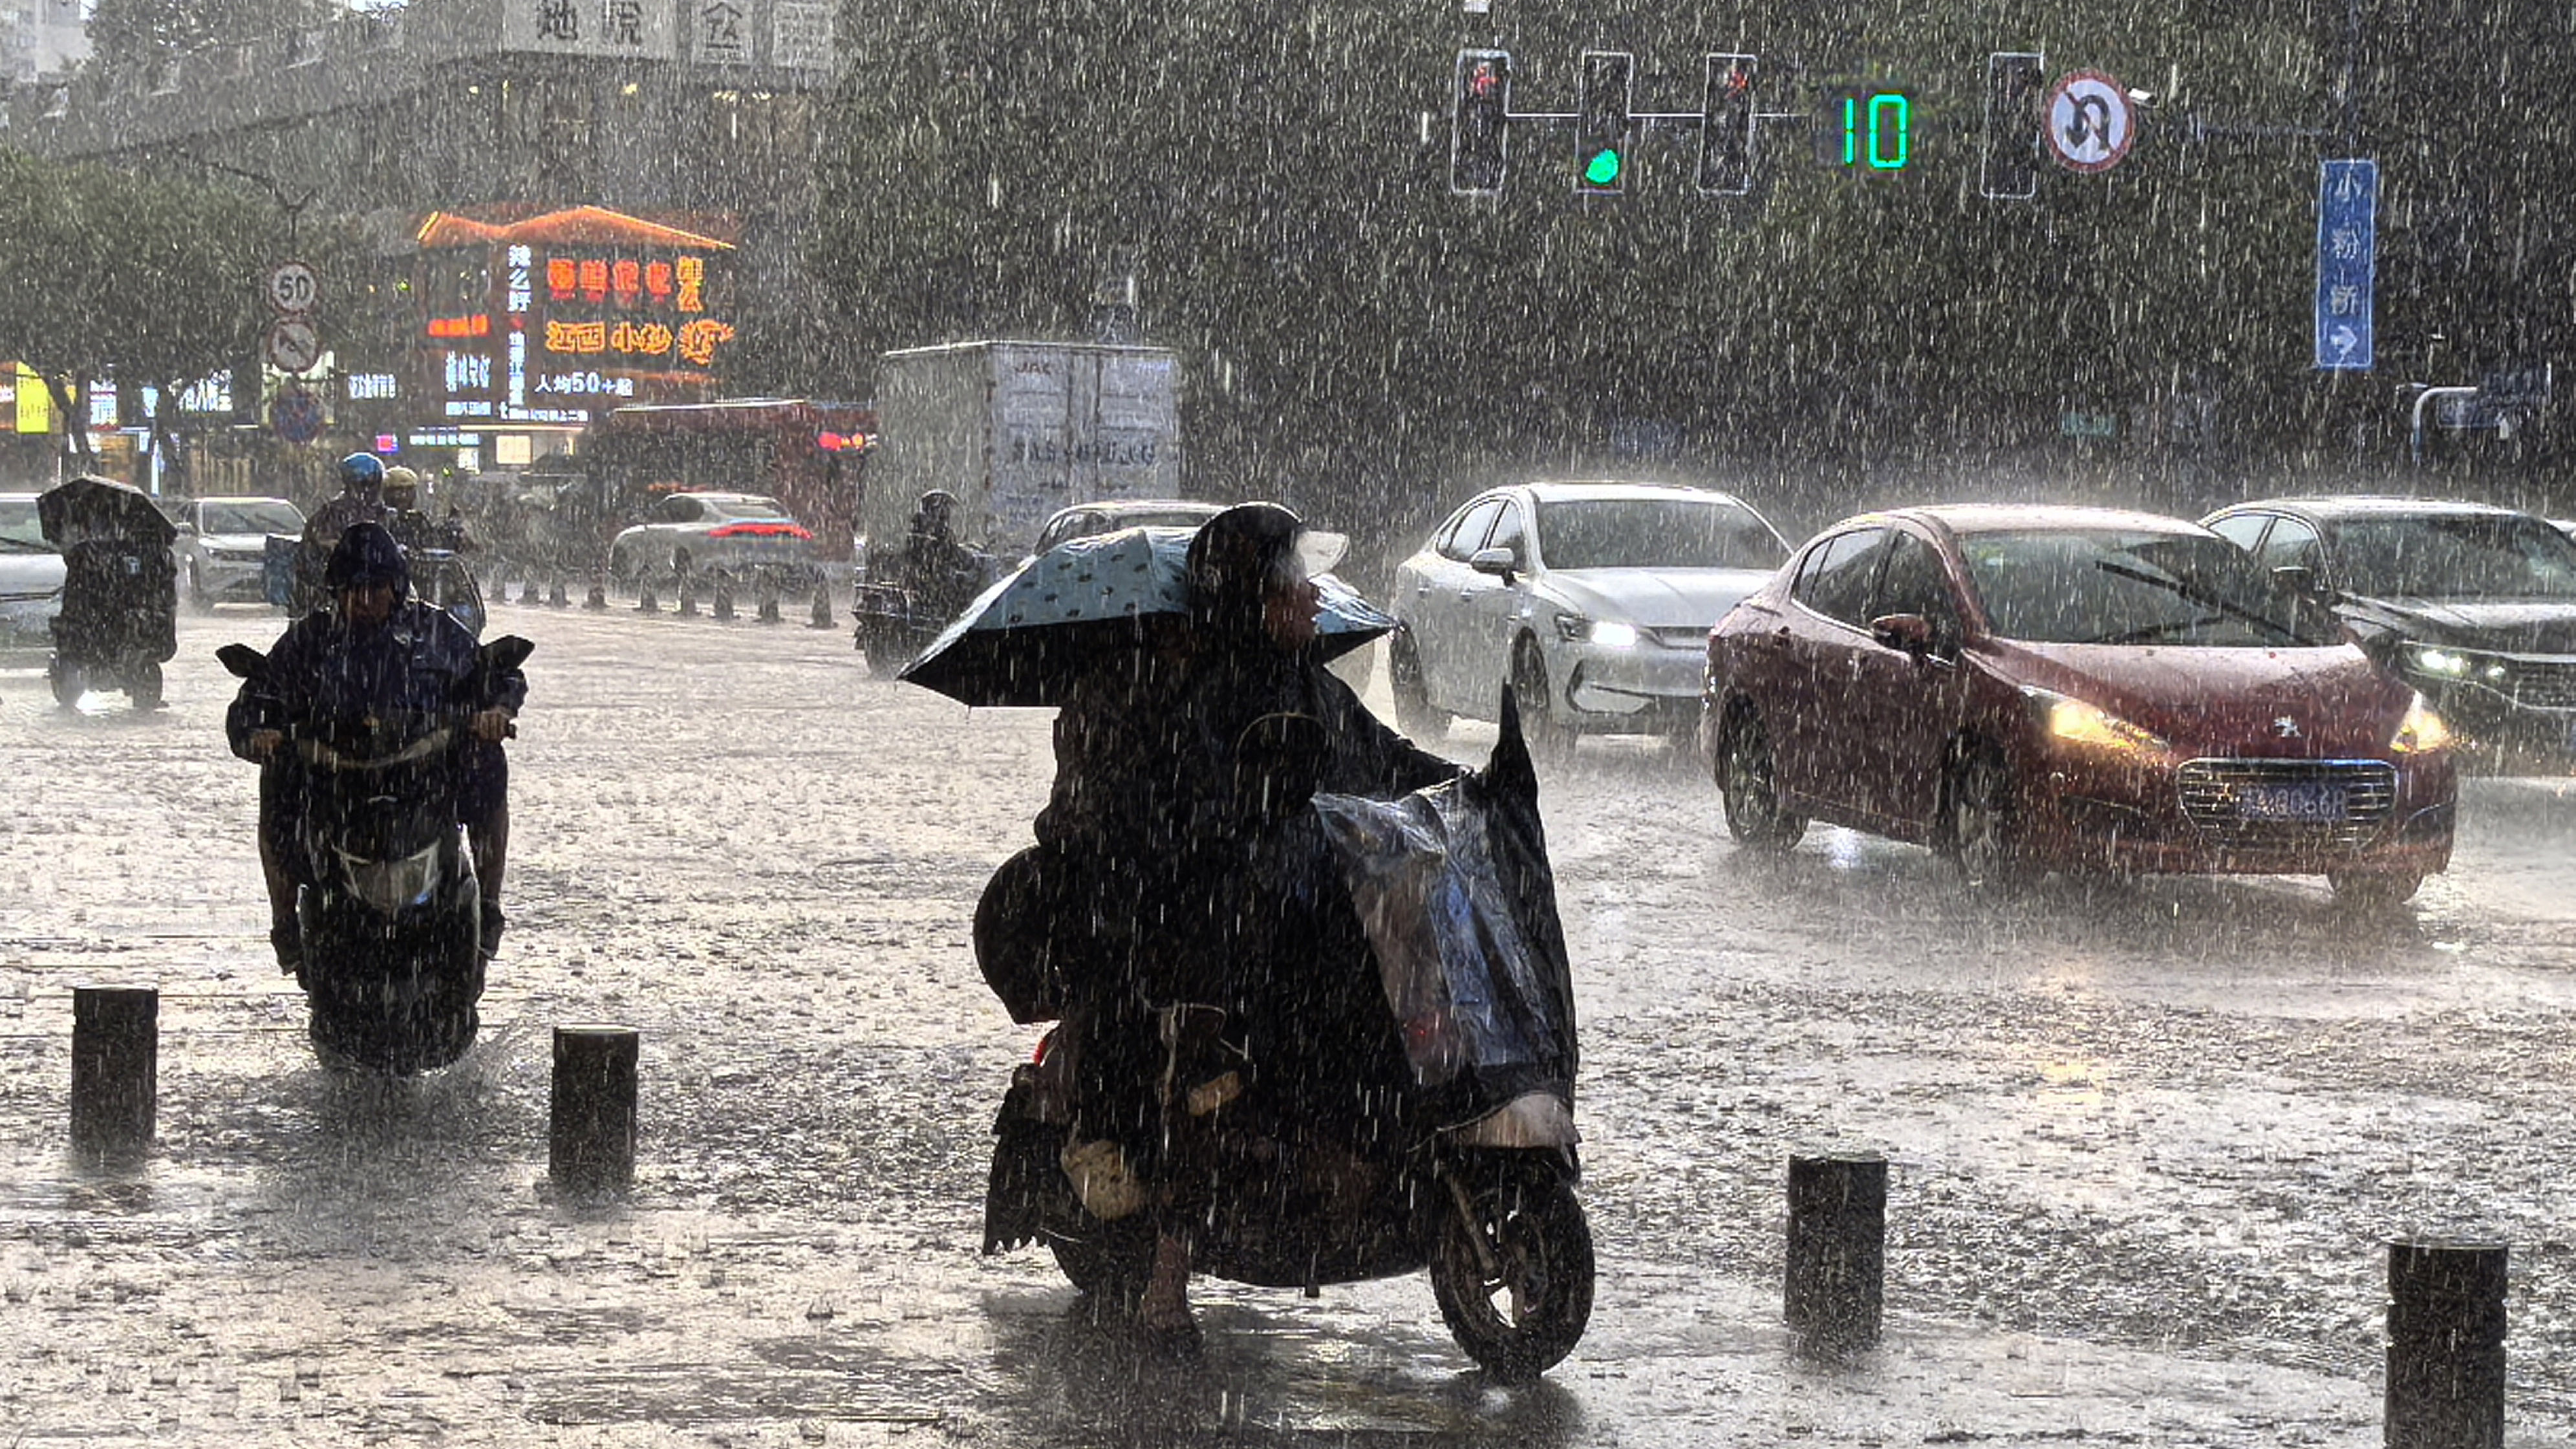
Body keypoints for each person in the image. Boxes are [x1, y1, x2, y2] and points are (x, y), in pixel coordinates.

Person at [995, 501, 1457, 1349]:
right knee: (1208, 1073)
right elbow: (1186, 820)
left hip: (1295, 915)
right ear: (1253, 598)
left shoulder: (1310, 686)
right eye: (1294, 583)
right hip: (1200, 926)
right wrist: (1254, 839)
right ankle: (1166, 1290)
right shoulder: (1197, 696)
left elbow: (1388, 760)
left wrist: (1477, 786)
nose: (1313, 596)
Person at [233, 522, 524, 969]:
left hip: (422, 778)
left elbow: (492, 675)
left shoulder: (436, 632)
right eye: (352, 591)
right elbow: (260, 695)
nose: (363, 602)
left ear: (397, 587)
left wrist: (495, 714)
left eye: (374, 589)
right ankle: (284, 919)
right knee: (277, 783)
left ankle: (488, 905)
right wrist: (261, 733)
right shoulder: (309, 639)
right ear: (336, 592)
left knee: (487, 764)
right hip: (333, 780)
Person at [899, 489, 983, 618]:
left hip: (927, 581)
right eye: (945, 508)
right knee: (970, 588)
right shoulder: (936, 531)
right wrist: (972, 560)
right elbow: (951, 554)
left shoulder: (919, 529)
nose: (948, 513)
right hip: (936, 583)